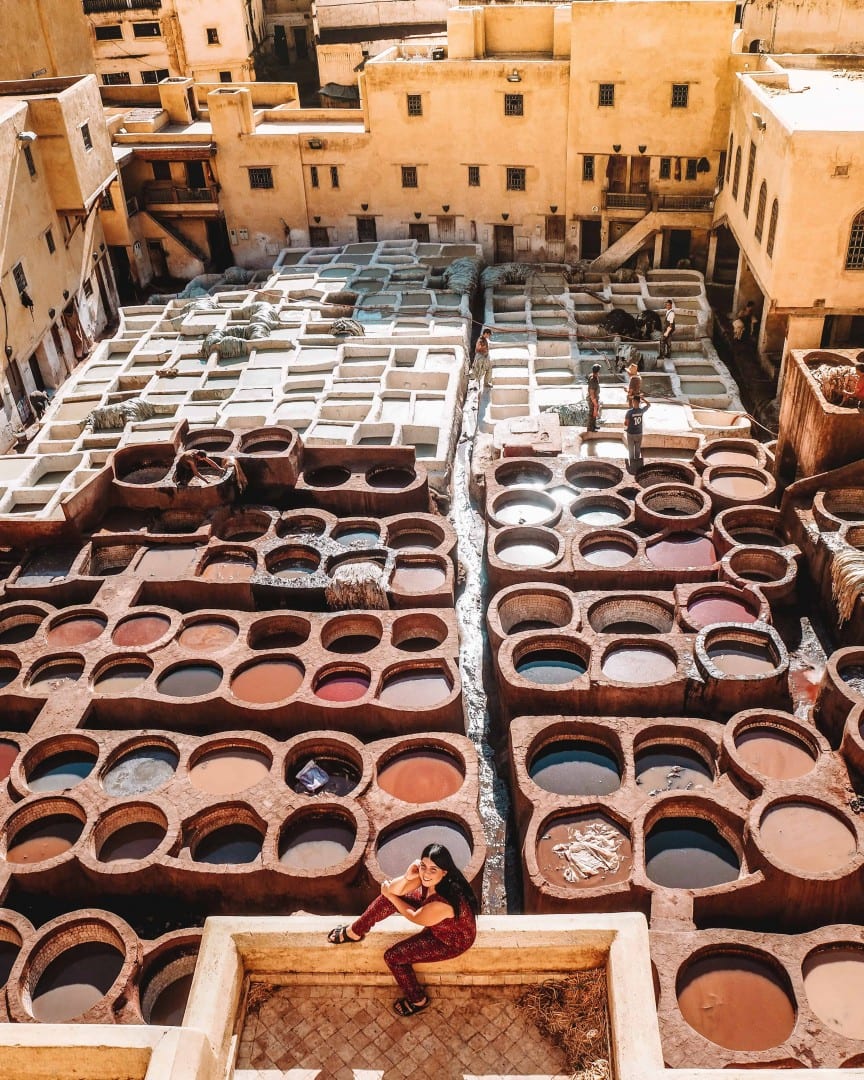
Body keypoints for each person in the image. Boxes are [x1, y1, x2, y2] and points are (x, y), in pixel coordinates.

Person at [327, 843, 478, 1018]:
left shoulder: (443, 903)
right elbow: (393, 889)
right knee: (388, 900)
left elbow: (415, 916)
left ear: (444, 872)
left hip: (450, 940)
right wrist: (407, 877)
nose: (426, 873)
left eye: (433, 869)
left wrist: (391, 896)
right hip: (436, 922)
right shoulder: (424, 874)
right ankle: (355, 931)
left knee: (393, 957)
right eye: (423, 866)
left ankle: (417, 1000)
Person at [624, 395, 651, 472]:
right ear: (639, 402)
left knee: (631, 450)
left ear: (633, 402)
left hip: (631, 433)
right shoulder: (641, 410)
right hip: (639, 433)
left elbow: (626, 423)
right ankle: (637, 467)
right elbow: (649, 405)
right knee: (637, 450)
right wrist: (644, 399)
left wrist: (625, 463)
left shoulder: (629, 412)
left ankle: (632, 467)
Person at [587, 362, 602, 431]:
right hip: (592, 399)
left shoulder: (594, 377)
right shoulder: (593, 380)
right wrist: (595, 403)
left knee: (594, 413)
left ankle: (594, 426)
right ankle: (590, 428)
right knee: (592, 413)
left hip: (595, 398)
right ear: (597, 372)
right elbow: (592, 392)